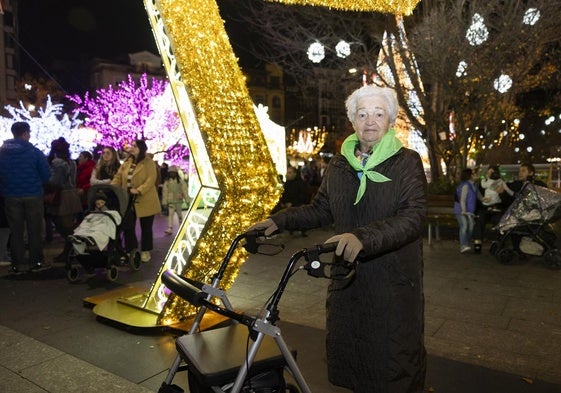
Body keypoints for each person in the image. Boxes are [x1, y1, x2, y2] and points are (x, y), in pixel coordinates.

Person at [249, 85, 427, 392]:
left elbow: (412, 217)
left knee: (391, 364)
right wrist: (278, 221)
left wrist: (363, 238)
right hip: (348, 280)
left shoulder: (405, 162)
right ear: (353, 121)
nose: (370, 120)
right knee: (354, 358)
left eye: (378, 113)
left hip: (391, 283)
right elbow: (321, 209)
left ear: (390, 121)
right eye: (362, 114)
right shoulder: (340, 163)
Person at [0, 121, 51, 273]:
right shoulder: (34, 152)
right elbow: (46, 175)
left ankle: (18, 264)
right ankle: (35, 262)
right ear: (25, 133)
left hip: (10, 196)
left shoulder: (2, 154)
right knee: (34, 230)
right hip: (33, 195)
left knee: (16, 231)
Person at [111, 140, 161, 262]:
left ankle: (145, 250)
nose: (131, 148)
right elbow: (118, 176)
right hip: (128, 198)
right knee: (128, 226)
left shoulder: (148, 162)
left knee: (146, 227)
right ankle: (131, 250)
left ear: (141, 148)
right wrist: (113, 186)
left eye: (134, 146)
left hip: (145, 199)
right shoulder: (127, 162)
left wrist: (139, 190)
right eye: (131, 146)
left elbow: (151, 179)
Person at [46, 137, 83, 262]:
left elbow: (55, 182)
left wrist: (44, 181)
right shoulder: (71, 162)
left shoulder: (57, 162)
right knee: (68, 225)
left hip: (61, 196)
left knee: (63, 225)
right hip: (71, 195)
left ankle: (72, 249)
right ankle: (71, 249)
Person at [454, 168, 479, 253]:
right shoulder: (465, 185)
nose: (476, 175)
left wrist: (484, 199)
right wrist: (463, 211)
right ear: (470, 176)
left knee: (471, 226)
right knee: (464, 225)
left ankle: (466, 242)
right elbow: (462, 200)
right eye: (474, 174)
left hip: (470, 211)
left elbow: (478, 196)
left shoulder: (474, 185)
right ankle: (463, 245)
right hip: (461, 210)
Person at [161, 166, 189, 235]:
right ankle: (170, 227)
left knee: (179, 214)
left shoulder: (180, 181)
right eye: (171, 173)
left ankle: (181, 226)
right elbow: (165, 192)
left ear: (176, 173)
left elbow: (184, 191)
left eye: (173, 173)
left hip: (178, 200)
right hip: (171, 201)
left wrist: (187, 200)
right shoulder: (167, 182)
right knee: (170, 214)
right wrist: (164, 202)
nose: (172, 174)